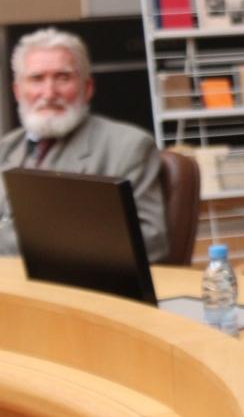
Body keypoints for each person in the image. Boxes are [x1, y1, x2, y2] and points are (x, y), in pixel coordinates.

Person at [0, 28, 167, 261]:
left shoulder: (129, 147)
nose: (49, 93)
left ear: (87, 88)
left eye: (63, 78)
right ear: (18, 91)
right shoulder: (5, 148)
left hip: (71, 282)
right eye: (37, 79)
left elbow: (151, 242)